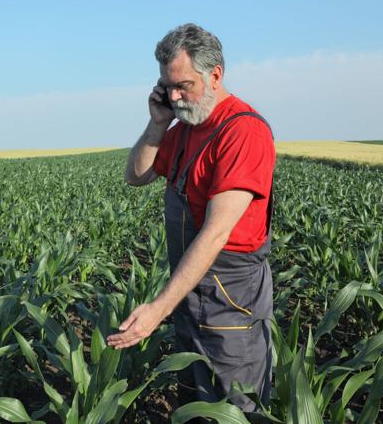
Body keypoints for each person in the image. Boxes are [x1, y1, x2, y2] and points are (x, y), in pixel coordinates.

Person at [106, 23, 276, 414]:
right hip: (190, 289)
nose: (176, 96)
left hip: (230, 299)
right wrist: (157, 122)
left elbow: (216, 233)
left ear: (215, 75)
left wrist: (157, 309)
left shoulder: (243, 131)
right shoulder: (183, 127)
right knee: (196, 403)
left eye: (184, 86)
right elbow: (136, 176)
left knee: (234, 408)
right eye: (168, 87)